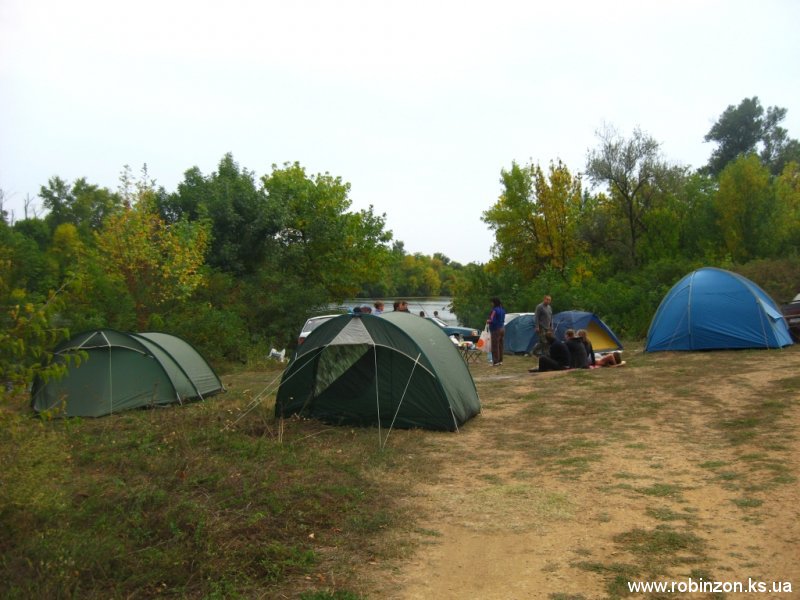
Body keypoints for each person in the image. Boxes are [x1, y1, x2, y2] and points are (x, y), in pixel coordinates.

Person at [486, 297, 506, 366]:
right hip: (502, 328)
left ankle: (496, 361)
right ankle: (500, 360)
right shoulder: (502, 310)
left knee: (495, 345)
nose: (491, 304)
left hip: (495, 329)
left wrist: (488, 321)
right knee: (500, 345)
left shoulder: (494, 310)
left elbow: (492, 320)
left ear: (494, 303)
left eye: (491, 302)